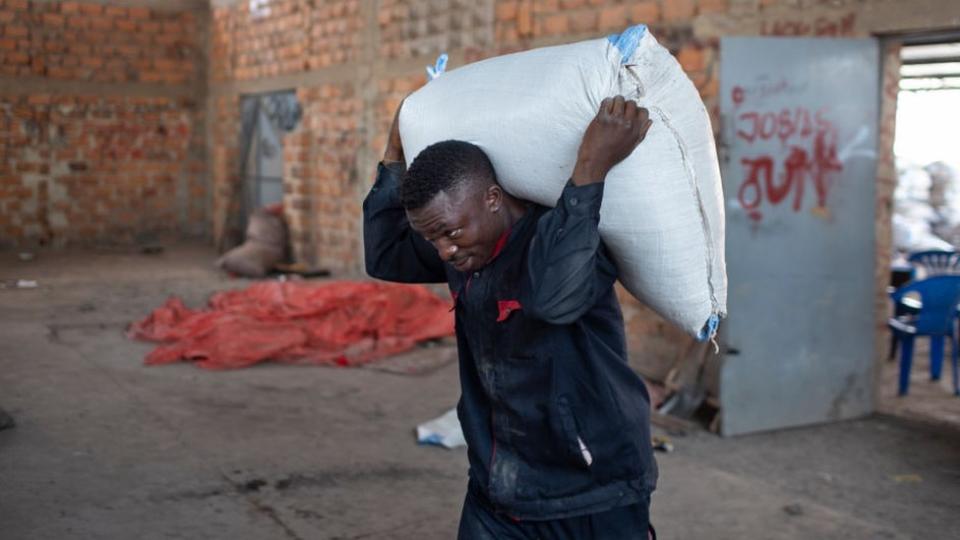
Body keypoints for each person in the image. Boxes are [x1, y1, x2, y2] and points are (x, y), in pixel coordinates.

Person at [363, 95, 657, 539]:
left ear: (494, 198)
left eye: (449, 233)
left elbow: (553, 299)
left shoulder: (566, 240)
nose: (443, 251)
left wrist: (591, 168)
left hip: (593, 490)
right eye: (431, 238)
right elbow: (385, 255)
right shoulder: (463, 246)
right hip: (497, 487)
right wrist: (393, 155)